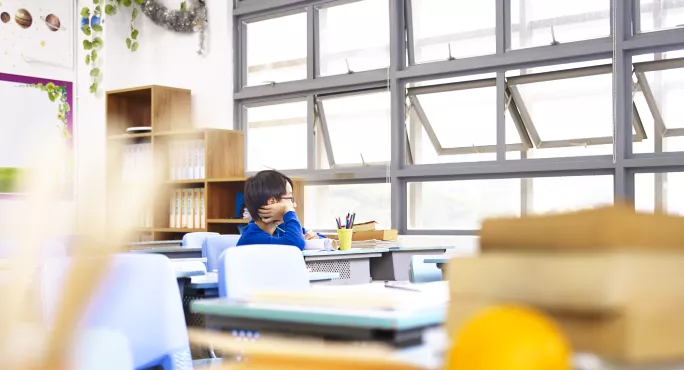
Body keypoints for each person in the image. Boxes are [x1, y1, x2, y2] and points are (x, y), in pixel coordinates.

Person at [237, 170, 325, 250]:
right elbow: (294, 246)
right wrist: (287, 209)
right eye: (290, 198)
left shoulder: (279, 227)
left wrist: (315, 239)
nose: (294, 205)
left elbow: (321, 237)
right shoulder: (252, 239)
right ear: (272, 202)